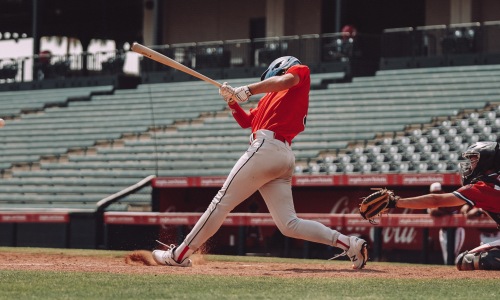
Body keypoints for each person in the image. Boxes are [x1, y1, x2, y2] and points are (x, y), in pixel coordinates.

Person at [152, 56, 368, 269]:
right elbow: (247, 121)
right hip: (281, 156)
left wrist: (248, 89)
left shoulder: (299, 71)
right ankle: (350, 243)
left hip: (267, 149)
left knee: (221, 202)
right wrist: (231, 101)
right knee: (289, 225)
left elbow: (285, 81)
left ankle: (179, 255)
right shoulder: (269, 99)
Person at [378, 141, 500, 270]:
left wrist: (396, 202)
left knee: (466, 260)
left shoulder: (484, 187)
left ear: (487, 161)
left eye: (474, 160)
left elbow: (436, 201)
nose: (470, 165)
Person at [427, 182, 465, 265]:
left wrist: (440, 210)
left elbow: (436, 211)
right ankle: (449, 276)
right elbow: (433, 211)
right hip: (444, 231)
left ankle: (457, 277)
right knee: (447, 258)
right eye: (434, 193)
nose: (436, 195)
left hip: (456, 231)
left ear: (442, 192)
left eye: (438, 192)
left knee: (453, 256)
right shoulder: (430, 201)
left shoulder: (448, 198)